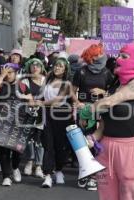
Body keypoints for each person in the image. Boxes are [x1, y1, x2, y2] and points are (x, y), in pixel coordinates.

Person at [82, 43, 134, 200]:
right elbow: (105, 122)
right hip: (106, 147)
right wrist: (92, 138)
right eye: (119, 55)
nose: (118, 59)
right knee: (106, 195)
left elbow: (112, 101)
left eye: (124, 56)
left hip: (131, 149)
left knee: (129, 194)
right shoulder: (116, 84)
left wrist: (88, 110)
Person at [36, 57, 82, 188]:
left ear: (65, 69)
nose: (57, 68)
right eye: (56, 65)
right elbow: (40, 94)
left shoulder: (66, 83)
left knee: (61, 147)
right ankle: (48, 175)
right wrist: (33, 100)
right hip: (47, 116)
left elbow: (58, 100)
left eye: (61, 66)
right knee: (48, 145)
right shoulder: (47, 79)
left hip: (63, 117)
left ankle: (59, 170)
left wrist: (79, 104)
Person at [72, 44, 113, 191]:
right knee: (83, 143)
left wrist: (102, 91)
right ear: (90, 57)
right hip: (85, 111)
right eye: (96, 54)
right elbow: (72, 91)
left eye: (101, 53)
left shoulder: (107, 73)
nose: (100, 56)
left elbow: (113, 93)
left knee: (96, 142)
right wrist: (78, 103)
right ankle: (84, 172)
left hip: (101, 110)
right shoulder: (81, 71)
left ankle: (93, 176)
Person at [0, 63, 32, 186]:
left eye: (10, 72)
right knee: (3, 151)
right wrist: (1, 76)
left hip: (19, 123)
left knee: (18, 151)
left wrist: (25, 97)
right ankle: (6, 176)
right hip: (2, 122)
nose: (8, 75)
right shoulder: (0, 84)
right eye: (6, 72)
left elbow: (31, 101)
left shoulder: (23, 86)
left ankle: (15, 167)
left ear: (16, 73)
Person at [22, 58, 46, 178]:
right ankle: (29, 161)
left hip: (43, 114)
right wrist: (29, 99)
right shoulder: (25, 81)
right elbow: (21, 94)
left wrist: (43, 103)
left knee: (40, 139)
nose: (35, 67)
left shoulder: (46, 81)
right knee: (29, 138)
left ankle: (39, 165)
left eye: (37, 65)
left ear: (42, 68)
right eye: (32, 65)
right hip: (28, 113)